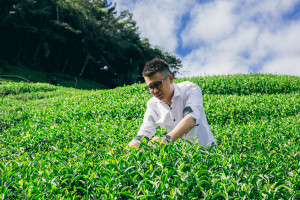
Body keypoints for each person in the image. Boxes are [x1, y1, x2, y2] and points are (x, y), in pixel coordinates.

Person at [128, 58, 215, 149]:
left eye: (158, 85)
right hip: (181, 158)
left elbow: (191, 118)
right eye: (150, 87)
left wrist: (166, 140)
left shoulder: (189, 89)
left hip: (206, 151)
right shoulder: (152, 105)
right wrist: (123, 151)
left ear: (170, 79)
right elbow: (143, 134)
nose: (155, 91)